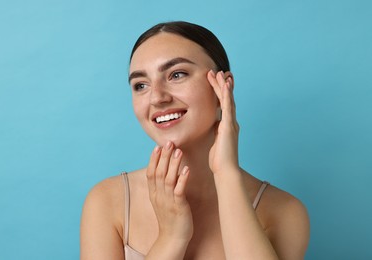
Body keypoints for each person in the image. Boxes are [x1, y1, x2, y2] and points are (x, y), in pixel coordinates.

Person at [80, 21, 310, 260]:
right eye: (141, 85)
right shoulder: (108, 201)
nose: (157, 97)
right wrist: (172, 237)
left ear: (223, 88)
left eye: (177, 74)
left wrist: (226, 175)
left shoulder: (284, 212)